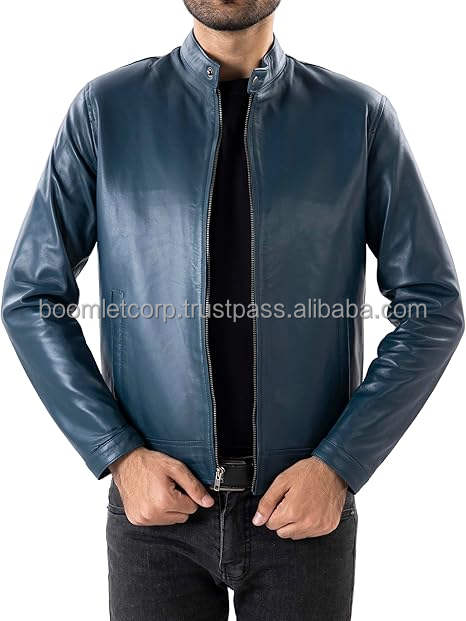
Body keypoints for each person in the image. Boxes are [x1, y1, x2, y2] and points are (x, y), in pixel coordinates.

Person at [2, 1, 463, 619]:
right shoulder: (106, 112)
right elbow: (32, 297)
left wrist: (340, 464)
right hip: (155, 511)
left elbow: (432, 305)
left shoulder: (357, 117)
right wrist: (118, 453)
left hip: (303, 506)